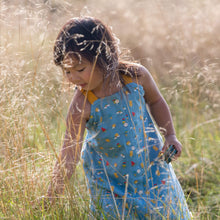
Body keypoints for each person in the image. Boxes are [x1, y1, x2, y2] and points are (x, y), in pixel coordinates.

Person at [47, 16, 191, 219]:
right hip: (110, 182)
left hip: (151, 168)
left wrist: (170, 136)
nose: (73, 78)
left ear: (104, 56)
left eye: (80, 69)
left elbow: (157, 101)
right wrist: (52, 195)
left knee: (165, 212)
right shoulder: (82, 103)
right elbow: (69, 154)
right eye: (67, 71)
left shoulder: (135, 76)